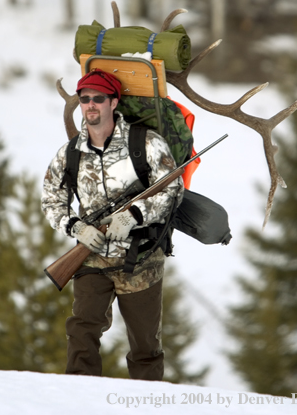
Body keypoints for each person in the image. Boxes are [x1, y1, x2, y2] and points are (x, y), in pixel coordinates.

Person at [41, 69, 183, 380]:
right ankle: (79, 398)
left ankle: (146, 406)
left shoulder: (146, 143)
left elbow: (173, 190)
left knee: (146, 347)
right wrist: (76, 227)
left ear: (113, 101)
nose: (90, 105)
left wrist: (135, 215)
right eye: (84, 99)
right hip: (91, 259)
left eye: (98, 98)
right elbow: (51, 200)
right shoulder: (69, 155)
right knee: (81, 334)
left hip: (141, 259)